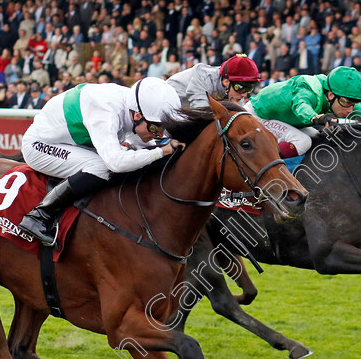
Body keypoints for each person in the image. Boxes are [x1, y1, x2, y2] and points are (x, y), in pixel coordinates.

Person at [18, 77, 182, 245]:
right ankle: (39, 215)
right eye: (156, 128)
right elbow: (116, 163)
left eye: (163, 128)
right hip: (40, 145)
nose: (160, 134)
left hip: (70, 141)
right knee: (101, 167)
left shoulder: (135, 107)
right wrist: (161, 151)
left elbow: (146, 146)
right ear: (137, 115)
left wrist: (165, 148)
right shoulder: (106, 110)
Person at [244, 66, 361, 161]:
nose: (350, 110)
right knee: (302, 142)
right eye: (347, 103)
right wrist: (316, 117)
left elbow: (360, 109)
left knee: (318, 137)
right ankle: (265, 175)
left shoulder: (333, 92)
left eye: (352, 104)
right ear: (331, 95)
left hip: (281, 119)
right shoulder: (309, 90)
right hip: (256, 115)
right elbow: (301, 105)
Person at [165, 54, 260, 108]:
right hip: (166, 108)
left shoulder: (235, 91)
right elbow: (201, 115)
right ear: (226, 82)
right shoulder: (202, 78)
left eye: (249, 89)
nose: (244, 95)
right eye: (241, 88)